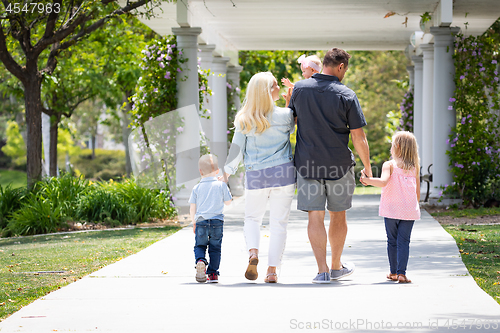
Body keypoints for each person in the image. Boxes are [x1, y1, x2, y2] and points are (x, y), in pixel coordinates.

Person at [287, 47, 372, 284]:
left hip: (307, 165)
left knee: (314, 216)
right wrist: (368, 167)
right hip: (339, 166)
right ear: (341, 66)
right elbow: (358, 137)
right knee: (338, 216)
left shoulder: (299, 89)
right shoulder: (346, 94)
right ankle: (336, 266)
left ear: (324, 63)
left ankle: (322, 270)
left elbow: (289, 122)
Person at [223, 72, 295, 283]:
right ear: (269, 90)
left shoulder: (245, 118)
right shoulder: (285, 115)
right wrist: (290, 105)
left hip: (256, 175)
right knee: (279, 224)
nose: (279, 90)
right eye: (276, 86)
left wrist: (226, 173)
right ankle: (272, 271)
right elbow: (292, 126)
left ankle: (253, 253)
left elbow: (236, 151)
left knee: (252, 219)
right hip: (283, 174)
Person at [360, 131, 421, 283]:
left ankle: (393, 272)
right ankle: (402, 273)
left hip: (392, 209)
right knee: (404, 241)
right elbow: (417, 192)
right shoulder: (415, 167)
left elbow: (383, 182)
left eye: (392, 145)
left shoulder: (389, 165)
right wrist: (414, 207)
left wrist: (367, 180)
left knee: (392, 240)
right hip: (409, 210)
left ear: (397, 147)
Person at [190, 154, 232, 283]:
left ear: (200, 171)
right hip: (217, 222)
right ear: (217, 171)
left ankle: (201, 260)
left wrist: (193, 222)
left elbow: (192, 208)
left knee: (200, 246)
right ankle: (213, 274)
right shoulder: (221, 185)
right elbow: (228, 202)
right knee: (215, 248)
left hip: (201, 221)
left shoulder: (196, 188)